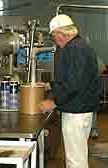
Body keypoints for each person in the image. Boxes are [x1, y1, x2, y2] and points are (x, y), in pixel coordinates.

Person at [39, 14, 101, 168]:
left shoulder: (73, 49)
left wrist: (53, 102)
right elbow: (72, 78)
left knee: (76, 161)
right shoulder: (80, 46)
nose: (55, 40)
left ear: (61, 34)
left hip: (76, 113)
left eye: (54, 36)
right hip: (81, 110)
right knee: (78, 155)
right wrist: (51, 85)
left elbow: (74, 83)